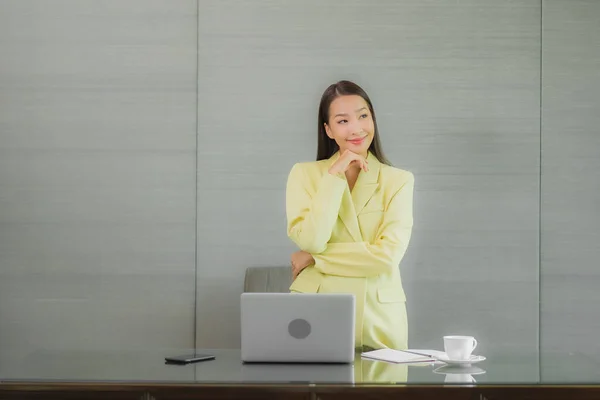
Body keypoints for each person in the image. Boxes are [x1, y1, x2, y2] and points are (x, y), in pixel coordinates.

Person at [285, 80, 415, 351]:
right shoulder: (305, 174)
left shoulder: (398, 180)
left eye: (363, 116)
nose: (356, 128)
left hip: (378, 320)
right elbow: (311, 240)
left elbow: (387, 255)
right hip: (317, 311)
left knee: (379, 393)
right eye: (343, 121)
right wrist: (334, 177)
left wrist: (316, 259)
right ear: (328, 130)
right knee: (313, 392)